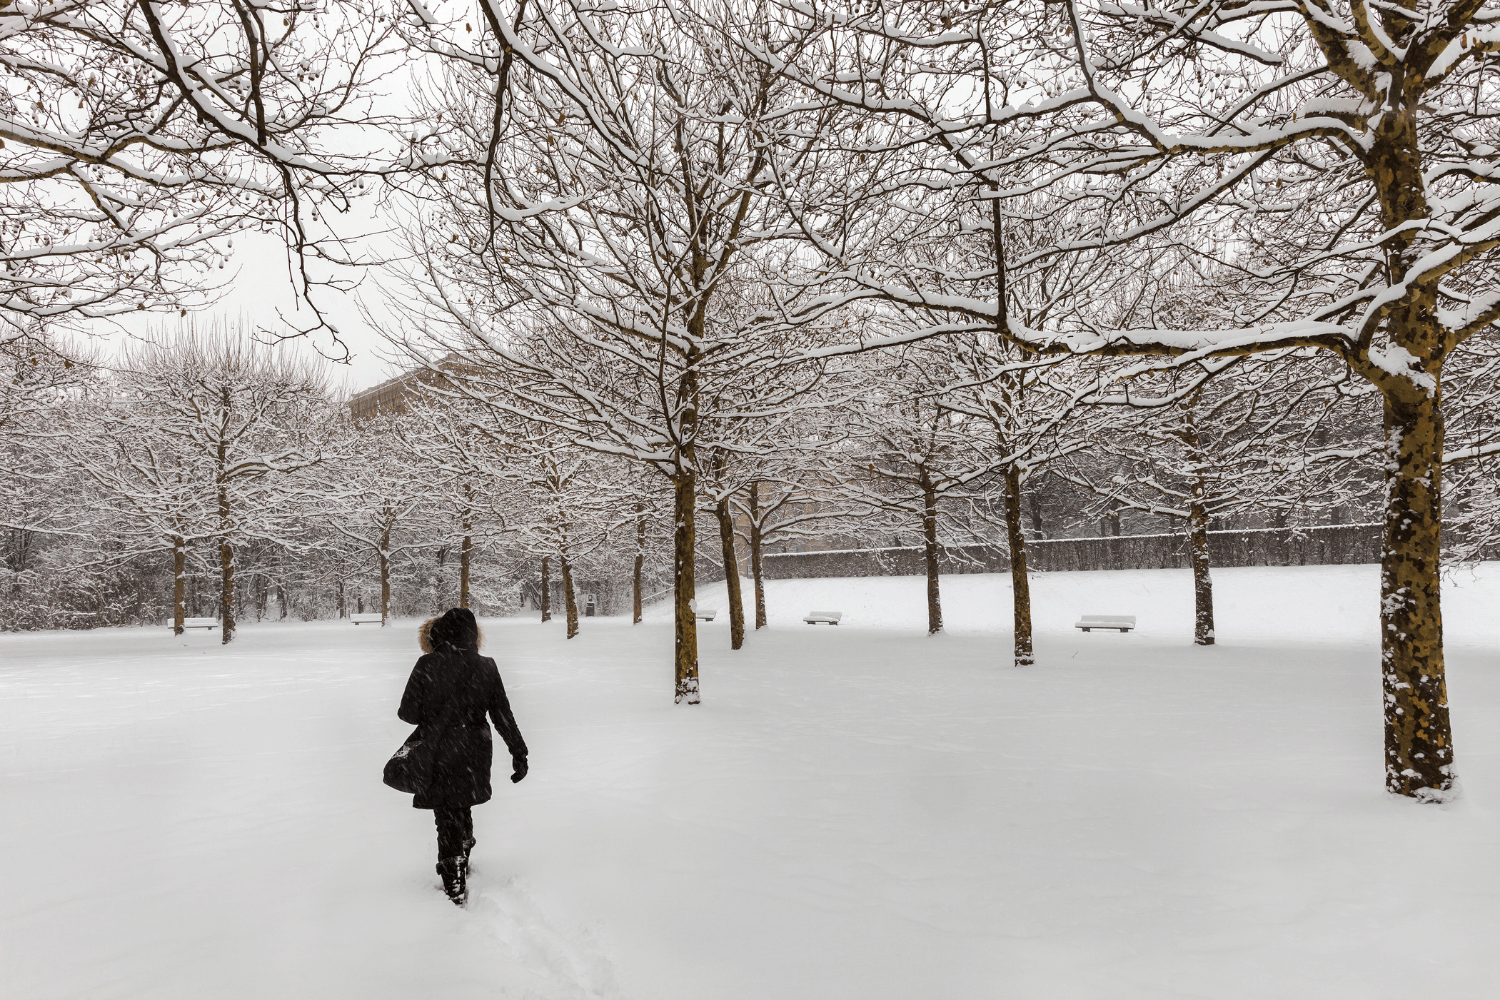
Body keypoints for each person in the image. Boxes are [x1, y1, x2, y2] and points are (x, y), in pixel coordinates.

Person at [398, 607, 528, 905]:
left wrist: (433, 709)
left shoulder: (426, 664)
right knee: (462, 801)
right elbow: (502, 715)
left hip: (438, 747)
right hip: (475, 747)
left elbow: (407, 713)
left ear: (440, 633)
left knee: (445, 810)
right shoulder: (487, 666)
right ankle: (464, 845)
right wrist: (519, 753)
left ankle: (453, 869)